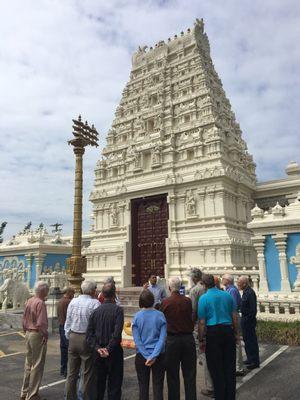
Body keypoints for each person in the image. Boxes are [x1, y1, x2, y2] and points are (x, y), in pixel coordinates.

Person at [198, 274, 238, 400]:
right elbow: (234, 316)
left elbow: (202, 322)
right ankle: (230, 396)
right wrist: (236, 333)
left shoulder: (203, 298)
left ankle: (220, 396)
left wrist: (201, 339)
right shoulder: (227, 295)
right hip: (228, 331)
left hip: (213, 333)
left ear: (204, 285)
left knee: (216, 368)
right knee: (229, 366)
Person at [160, 277, 197, 400]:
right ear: (180, 287)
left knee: (172, 375)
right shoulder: (187, 301)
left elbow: (161, 320)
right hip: (187, 339)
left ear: (169, 288)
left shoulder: (165, 302)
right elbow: (192, 316)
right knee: (190, 374)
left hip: (172, 340)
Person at [86, 283, 124, 400]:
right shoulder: (118, 311)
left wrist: (98, 348)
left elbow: (89, 335)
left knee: (99, 386)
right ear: (114, 295)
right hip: (113, 352)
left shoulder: (95, 312)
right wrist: (108, 349)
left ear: (102, 295)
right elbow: (116, 334)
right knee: (114, 386)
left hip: (98, 353)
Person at [64, 280, 100, 400]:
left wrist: (68, 335)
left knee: (72, 373)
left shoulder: (73, 301)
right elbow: (97, 325)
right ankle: (84, 397)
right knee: (87, 373)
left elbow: (67, 321)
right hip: (86, 338)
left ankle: (69, 397)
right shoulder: (95, 303)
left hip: (73, 336)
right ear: (92, 291)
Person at [132, 289, 167, 400]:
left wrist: (147, 356)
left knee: (143, 387)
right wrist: (153, 356)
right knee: (158, 386)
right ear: (152, 300)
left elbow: (137, 340)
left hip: (142, 356)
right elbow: (162, 339)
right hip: (159, 356)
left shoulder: (137, 317)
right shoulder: (160, 315)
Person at [20, 281, 49, 400]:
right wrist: (45, 334)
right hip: (37, 334)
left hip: (28, 332)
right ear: (43, 291)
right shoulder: (40, 303)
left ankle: (24, 392)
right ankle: (32, 395)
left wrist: (25, 330)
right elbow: (41, 323)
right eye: (47, 290)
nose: (48, 292)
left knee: (28, 363)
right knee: (37, 365)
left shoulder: (29, 300)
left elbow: (24, 318)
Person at [189, 268, 214, 398]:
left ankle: (210, 386)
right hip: (213, 324)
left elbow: (193, 310)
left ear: (194, 278)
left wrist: (191, 323)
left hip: (200, 323)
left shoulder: (194, 290)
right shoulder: (209, 288)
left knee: (204, 354)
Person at [222, 274, 244, 376]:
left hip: (233, 317)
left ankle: (239, 368)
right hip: (230, 317)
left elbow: (233, 307)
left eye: (223, 279)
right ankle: (234, 366)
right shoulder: (228, 290)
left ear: (228, 280)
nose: (222, 280)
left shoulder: (232, 291)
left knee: (237, 341)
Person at [237, 276, 260, 370]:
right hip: (245, 320)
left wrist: (248, 320)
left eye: (239, 283)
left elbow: (253, 310)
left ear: (244, 284)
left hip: (248, 321)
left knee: (251, 341)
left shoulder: (250, 293)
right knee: (246, 341)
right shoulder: (245, 292)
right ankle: (250, 358)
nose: (238, 285)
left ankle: (255, 361)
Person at [57, 287, 75, 378]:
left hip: (61, 326)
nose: (74, 294)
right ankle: (69, 370)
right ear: (68, 292)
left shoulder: (60, 301)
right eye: (72, 292)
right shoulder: (69, 302)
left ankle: (63, 369)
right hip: (67, 327)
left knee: (63, 349)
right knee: (70, 349)